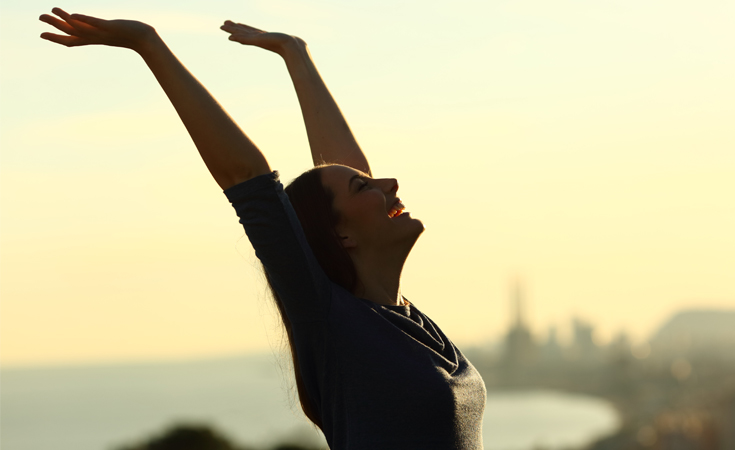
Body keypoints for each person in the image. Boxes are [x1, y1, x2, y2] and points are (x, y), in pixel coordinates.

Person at [40, 8, 486, 449]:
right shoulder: (331, 320)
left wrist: (295, 54)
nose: (390, 184)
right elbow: (246, 177)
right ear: (343, 235)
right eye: (364, 187)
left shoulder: (402, 318)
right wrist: (149, 44)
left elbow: (341, 172)